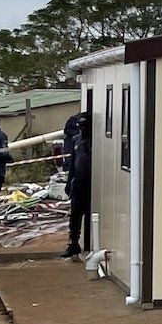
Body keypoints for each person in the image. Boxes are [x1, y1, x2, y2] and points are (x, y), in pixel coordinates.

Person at [61, 110, 92, 258]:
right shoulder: (76, 140)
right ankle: (73, 243)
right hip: (78, 183)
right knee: (75, 215)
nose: (83, 130)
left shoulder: (94, 142)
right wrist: (69, 182)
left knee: (89, 215)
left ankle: (88, 244)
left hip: (91, 183)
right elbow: (73, 163)